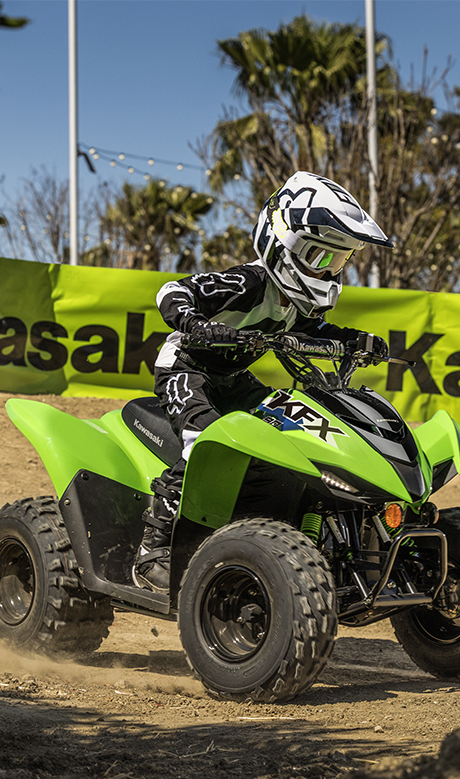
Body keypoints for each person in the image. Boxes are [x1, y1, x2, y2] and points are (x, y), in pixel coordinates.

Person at [132, 171, 394, 592]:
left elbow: (314, 334)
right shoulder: (249, 282)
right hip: (187, 369)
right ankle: (151, 549)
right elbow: (172, 291)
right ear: (283, 242)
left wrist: (356, 341)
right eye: (321, 257)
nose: (330, 270)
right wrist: (195, 324)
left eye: (340, 260)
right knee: (203, 443)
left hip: (235, 378)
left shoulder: (299, 301)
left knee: (290, 432)